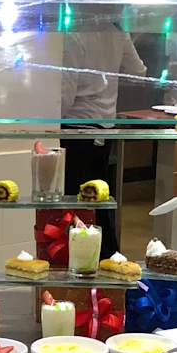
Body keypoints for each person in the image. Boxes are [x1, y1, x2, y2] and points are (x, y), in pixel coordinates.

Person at [59, 25, 146, 256]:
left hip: (77, 128)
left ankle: (87, 259)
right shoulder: (118, 31)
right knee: (98, 202)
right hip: (105, 128)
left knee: (76, 203)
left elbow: (65, 96)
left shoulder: (74, 33)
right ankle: (107, 258)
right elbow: (138, 70)